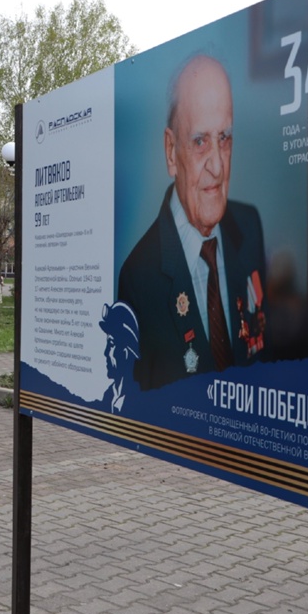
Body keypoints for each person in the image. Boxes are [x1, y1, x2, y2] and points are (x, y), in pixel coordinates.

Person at [118, 55, 268, 390]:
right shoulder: (138, 277)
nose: (217, 165)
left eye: (225, 138)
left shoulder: (249, 226)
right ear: (171, 152)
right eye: (200, 141)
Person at [99, 301, 140, 413]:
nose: (105, 352)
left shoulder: (138, 400)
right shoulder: (108, 396)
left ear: (126, 353)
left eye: (111, 344)